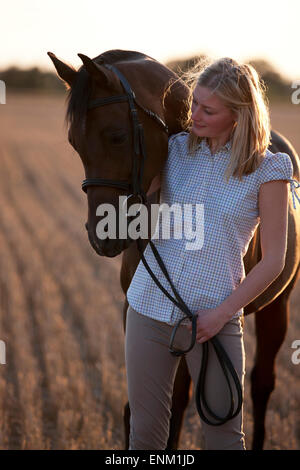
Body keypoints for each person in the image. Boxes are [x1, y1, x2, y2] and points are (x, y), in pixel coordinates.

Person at [125, 57, 299, 450]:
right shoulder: (173, 150)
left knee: (224, 438)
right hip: (148, 310)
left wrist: (221, 315)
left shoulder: (269, 169)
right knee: (145, 439)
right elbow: (133, 200)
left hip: (215, 320)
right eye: (195, 104)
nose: (194, 115)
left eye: (208, 109)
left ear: (238, 115)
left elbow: (273, 260)